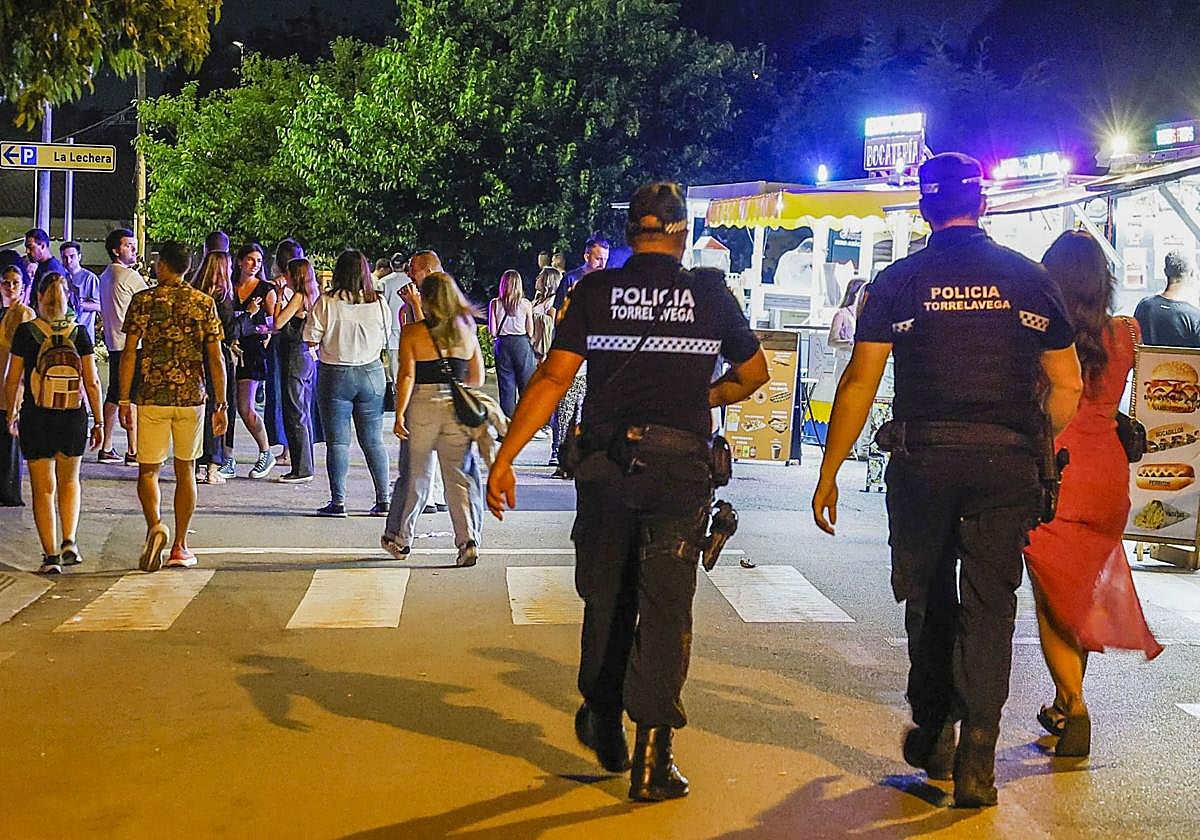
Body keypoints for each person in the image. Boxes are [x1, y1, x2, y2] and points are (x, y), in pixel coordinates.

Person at [811, 153, 1083, 808]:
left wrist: (829, 470)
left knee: (928, 596)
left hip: (923, 462)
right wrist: (1033, 443)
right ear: (981, 203)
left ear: (926, 208)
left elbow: (859, 380)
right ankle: (979, 755)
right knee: (991, 603)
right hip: (1005, 464)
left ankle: (934, 727)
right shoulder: (1028, 278)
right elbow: (1069, 382)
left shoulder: (900, 280)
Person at [487, 182, 768, 802]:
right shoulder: (710, 293)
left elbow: (554, 377)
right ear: (681, 233)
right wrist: (704, 397)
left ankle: (603, 716)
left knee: (606, 598)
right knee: (667, 609)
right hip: (679, 471)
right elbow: (754, 374)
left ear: (628, 235)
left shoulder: (595, 291)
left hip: (608, 471)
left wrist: (505, 457)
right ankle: (653, 758)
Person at [1024, 231, 1163, 757]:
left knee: (1049, 599)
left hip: (1057, 467)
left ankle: (1075, 703)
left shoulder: (1041, 334)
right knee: (1076, 593)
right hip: (1108, 474)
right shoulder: (1127, 332)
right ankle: (1062, 706)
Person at [119, 241, 227, 571]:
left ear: (163, 265)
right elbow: (215, 357)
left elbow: (129, 353)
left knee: (148, 470)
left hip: (151, 395)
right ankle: (180, 545)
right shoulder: (203, 303)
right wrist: (221, 404)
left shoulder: (143, 301)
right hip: (191, 397)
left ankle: (155, 526)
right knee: (186, 471)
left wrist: (124, 398)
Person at [382, 271, 486, 565]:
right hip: (456, 405)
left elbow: (406, 375)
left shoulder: (413, 332)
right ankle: (468, 540)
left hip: (423, 405)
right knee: (459, 477)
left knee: (416, 474)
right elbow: (476, 377)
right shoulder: (467, 329)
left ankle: (399, 539)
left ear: (426, 300)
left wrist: (399, 413)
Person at [4, 273, 104, 573]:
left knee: (42, 487)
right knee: (70, 481)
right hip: (72, 417)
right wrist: (98, 420)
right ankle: (69, 541)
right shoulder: (79, 333)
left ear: (38, 297)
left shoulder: (26, 332)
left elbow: (12, 380)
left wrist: (11, 413)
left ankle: (50, 556)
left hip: (37, 417)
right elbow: (92, 382)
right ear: (68, 300)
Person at [303, 250, 391, 517]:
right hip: (371, 373)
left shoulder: (326, 302)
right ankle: (384, 499)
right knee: (374, 441)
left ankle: (338, 502)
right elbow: (387, 337)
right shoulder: (378, 303)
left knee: (338, 443)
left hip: (335, 373)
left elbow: (310, 339)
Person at [192, 250, 244, 485]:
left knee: (197, 410)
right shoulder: (222, 296)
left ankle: (194, 464)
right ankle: (213, 466)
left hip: (194, 355)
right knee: (219, 406)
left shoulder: (195, 292)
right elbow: (230, 330)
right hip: (216, 354)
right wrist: (249, 316)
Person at [97, 227, 148, 465]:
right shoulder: (129, 277)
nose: (134, 249)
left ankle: (107, 446)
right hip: (132, 344)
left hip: (113, 342)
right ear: (116, 250)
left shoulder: (105, 275)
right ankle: (134, 448)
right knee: (132, 396)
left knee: (115, 394)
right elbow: (151, 302)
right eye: (128, 245)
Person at [227, 243, 277, 480]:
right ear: (239, 261)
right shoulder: (230, 286)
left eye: (258, 261)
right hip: (230, 350)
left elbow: (274, 324)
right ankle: (227, 456)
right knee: (228, 406)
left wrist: (255, 325)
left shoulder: (266, 289)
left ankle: (265, 451)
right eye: (250, 259)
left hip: (252, 351)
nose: (254, 264)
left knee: (246, 408)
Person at [273, 255, 320, 483]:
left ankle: (301, 468)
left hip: (295, 356)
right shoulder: (313, 296)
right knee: (303, 410)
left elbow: (278, 322)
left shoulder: (299, 297)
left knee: (295, 412)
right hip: (307, 357)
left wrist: (280, 296)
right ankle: (305, 463)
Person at [0, 263, 36, 506]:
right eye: (6, 282)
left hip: (14, 388)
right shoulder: (4, 313)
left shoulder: (24, 314)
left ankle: (9, 493)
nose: (11, 287)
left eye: (16, 283)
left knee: (10, 442)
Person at [488, 269, 536, 418]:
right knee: (526, 385)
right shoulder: (526, 304)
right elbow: (530, 330)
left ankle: (506, 426)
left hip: (503, 345)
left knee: (506, 387)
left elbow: (493, 331)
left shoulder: (495, 303)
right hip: (521, 344)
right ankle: (524, 425)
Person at [1133, 250, 1200, 347]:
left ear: (1165, 271)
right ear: (1191, 273)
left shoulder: (1144, 306)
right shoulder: (1194, 317)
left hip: (1147, 362)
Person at [553, 235, 610, 312]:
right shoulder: (570, 279)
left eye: (605, 259)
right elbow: (559, 309)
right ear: (586, 257)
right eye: (598, 259)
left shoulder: (608, 280)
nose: (603, 265)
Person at [59, 241, 101, 343]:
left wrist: (79, 304)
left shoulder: (90, 278)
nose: (68, 261)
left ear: (79, 257)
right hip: (64, 333)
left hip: (84, 333)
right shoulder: (61, 277)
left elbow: (100, 306)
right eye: (65, 257)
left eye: (72, 256)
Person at [531, 266, 561, 362]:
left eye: (540, 276)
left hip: (542, 353)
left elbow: (550, 328)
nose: (536, 278)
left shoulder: (552, 301)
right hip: (533, 348)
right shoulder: (538, 299)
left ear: (547, 281)